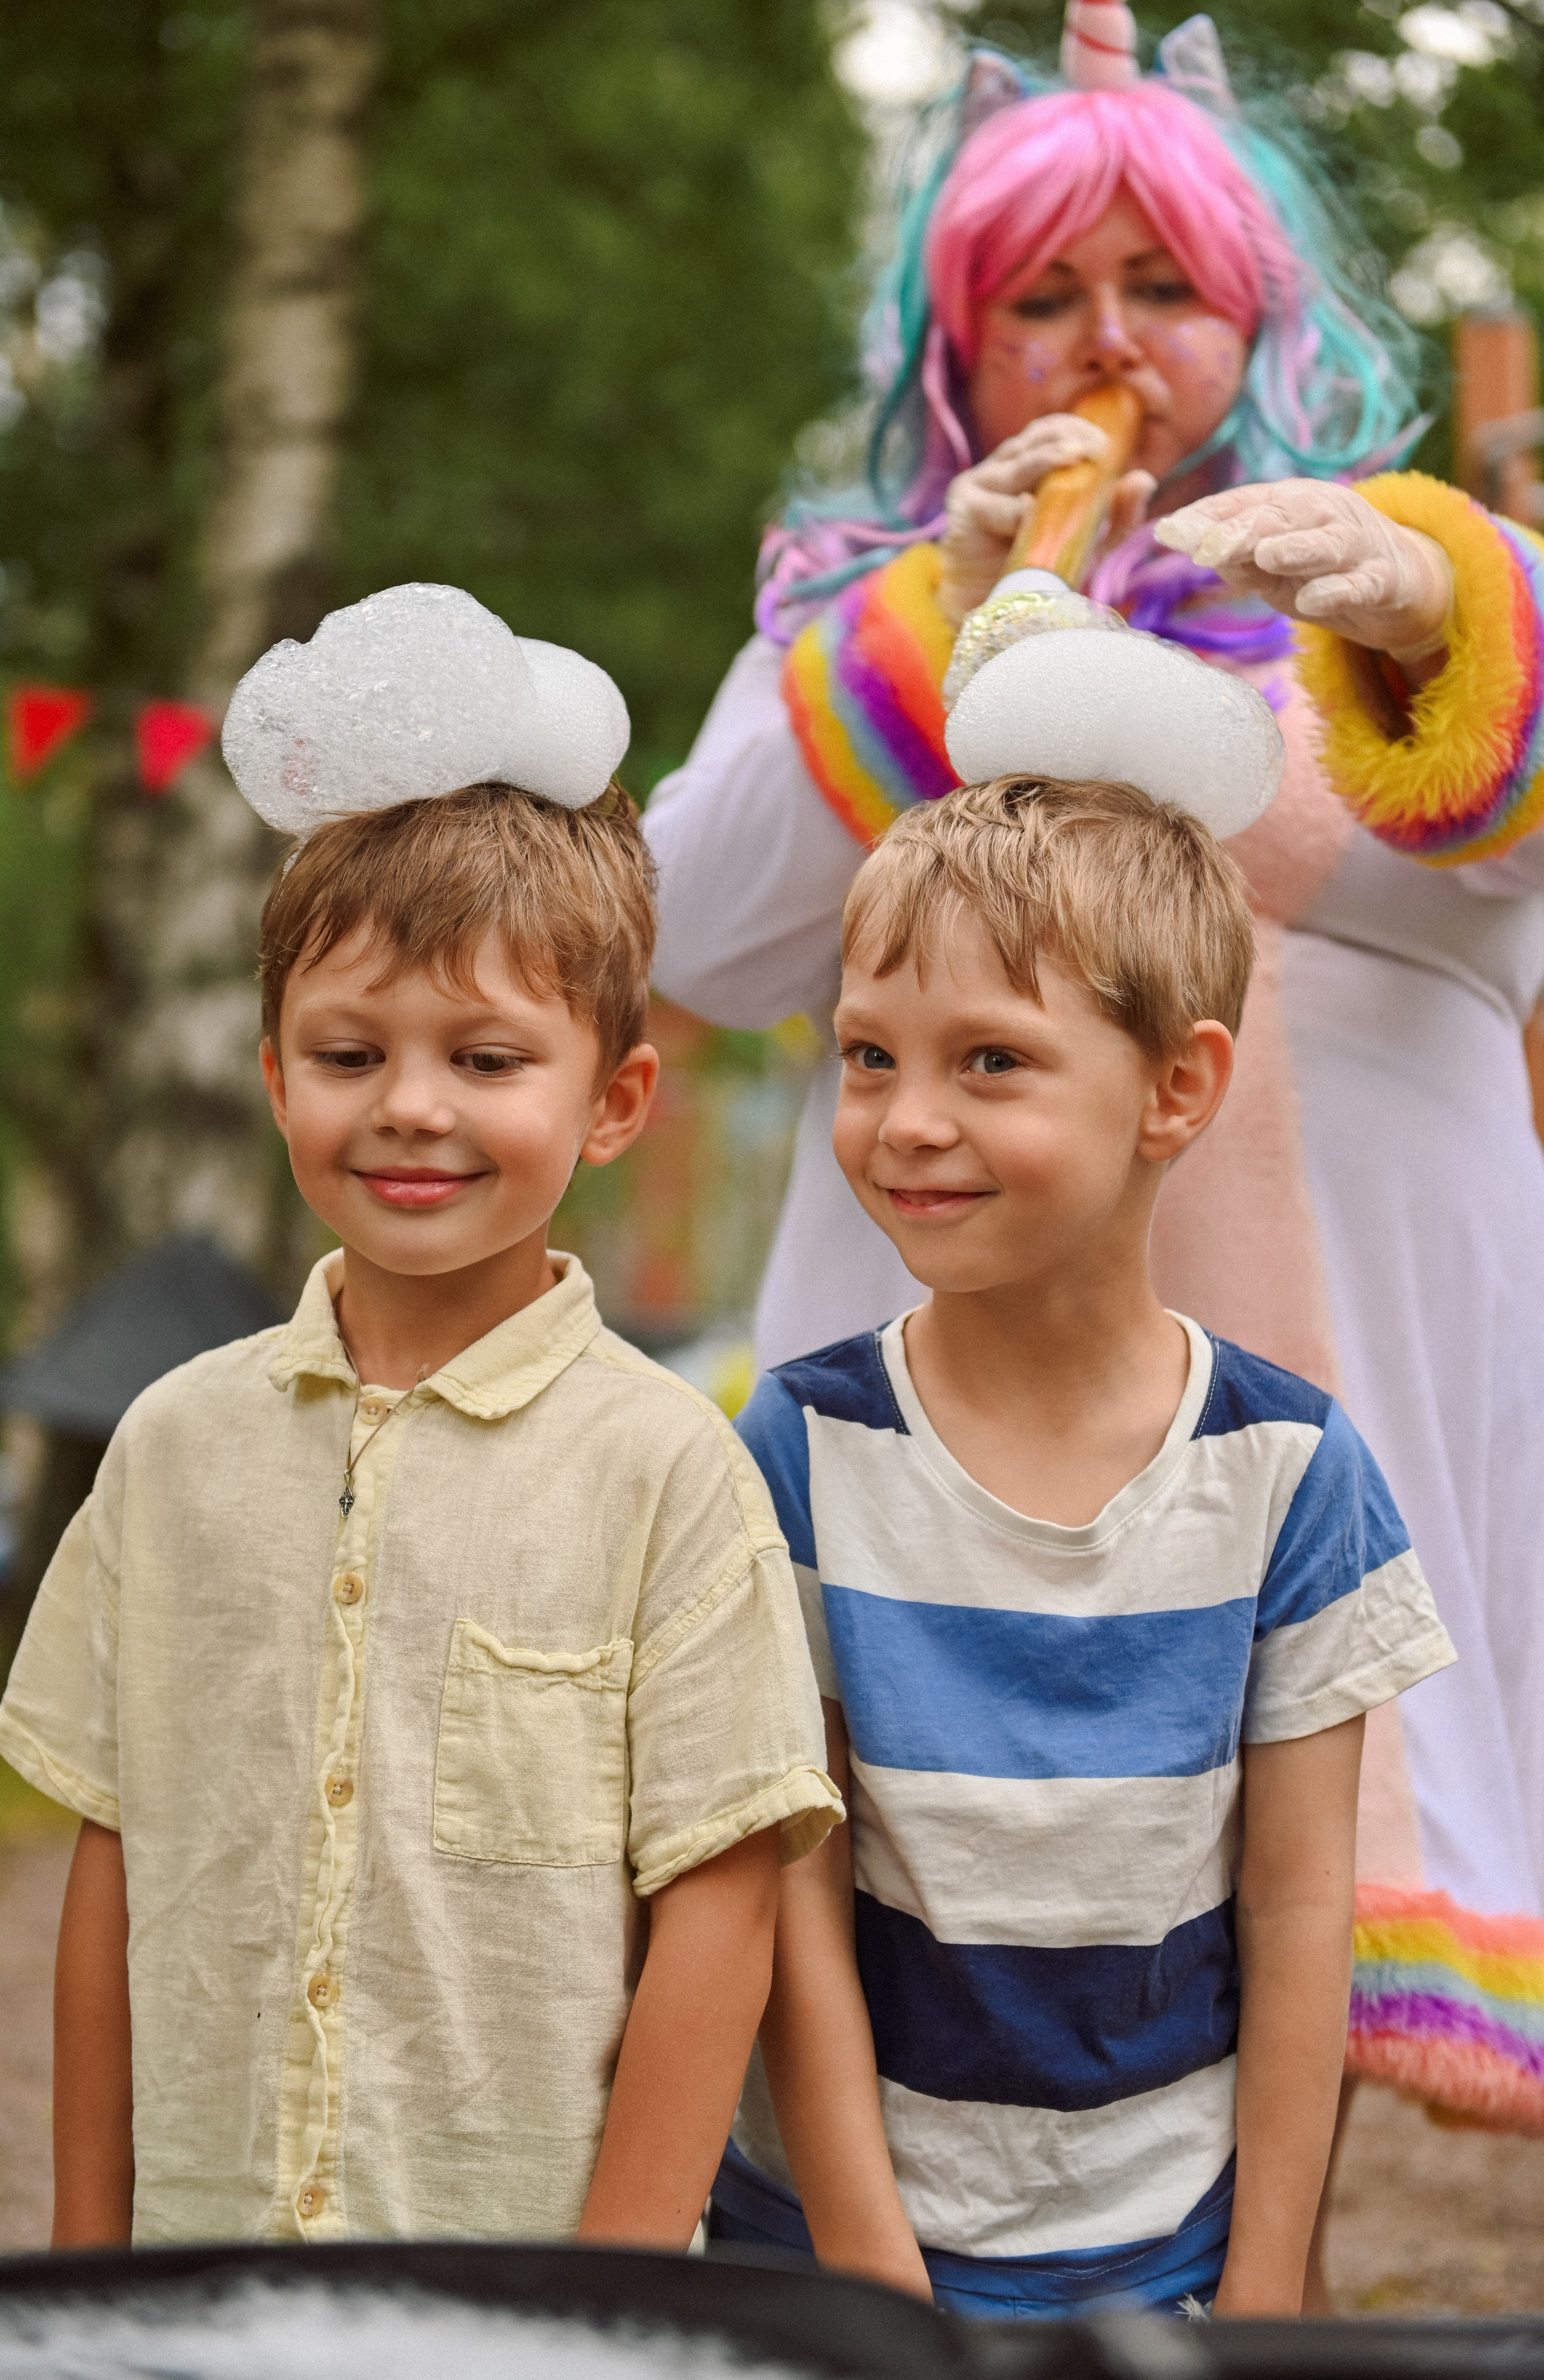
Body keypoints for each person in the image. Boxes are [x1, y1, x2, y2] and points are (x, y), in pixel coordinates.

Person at [642, 0, 1544, 2181]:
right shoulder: (856, 610)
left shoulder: (1387, 574)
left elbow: (1512, 878)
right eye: (1041, 293)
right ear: (957, 338)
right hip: (950, 1308)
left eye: (1161, 287)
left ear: (1260, 316)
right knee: (970, 1849)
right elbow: (694, 927)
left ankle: (1270, 2264)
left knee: (1323, 1792)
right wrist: (933, 640)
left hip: (1382, 1311)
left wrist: (1432, 604)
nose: (1101, 336)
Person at [0, 584, 840, 2248]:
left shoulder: (667, 1473)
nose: (414, 1108)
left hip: (521, 2307)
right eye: (351, 1050)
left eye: (488, 1057)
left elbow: (723, 1907)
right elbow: (112, 1869)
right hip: (204, 2295)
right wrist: (90, 2270)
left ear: (613, 1102)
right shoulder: (170, 1447)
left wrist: (609, 2308)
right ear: (275, 1076)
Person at [709, 773, 1456, 2318]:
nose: (909, 1120)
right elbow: (793, 1888)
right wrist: (872, 2279)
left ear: (1175, 1090)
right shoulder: (794, 1451)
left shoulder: (1289, 1471)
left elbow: (1302, 1900)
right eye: (867, 1056)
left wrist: (1260, 2287)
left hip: (1162, 2257)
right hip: (836, 2256)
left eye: (991, 1059)